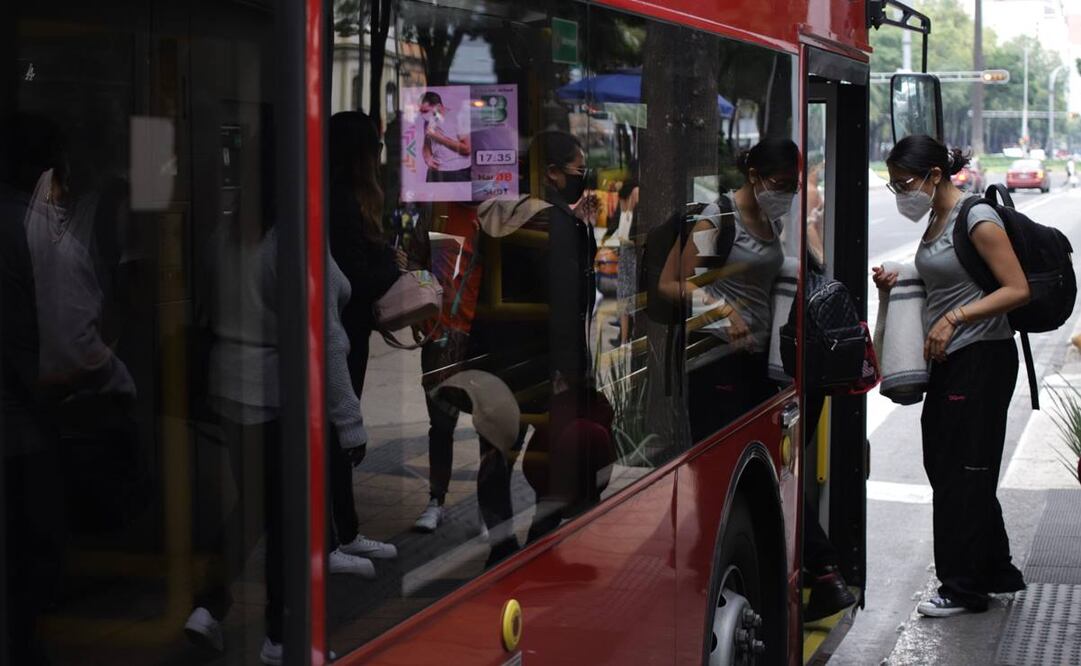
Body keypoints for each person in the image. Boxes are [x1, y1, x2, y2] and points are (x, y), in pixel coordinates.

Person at [874, 134, 1028, 617]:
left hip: (981, 357)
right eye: (895, 184)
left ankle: (962, 588)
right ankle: (995, 569)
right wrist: (900, 277)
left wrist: (955, 318)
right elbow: (947, 277)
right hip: (951, 361)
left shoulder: (976, 217)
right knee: (954, 467)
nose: (902, 193)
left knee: (962, 471)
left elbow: (1016, 289)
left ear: (934, 176)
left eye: (906, 183)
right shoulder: (935, 218)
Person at [325, 111, 401, 568]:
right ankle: (339, 535)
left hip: (349, 330)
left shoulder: (338, 199)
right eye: (374, 147)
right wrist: (392, 268)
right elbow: (354, 278)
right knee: (341, 428)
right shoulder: (342, 203)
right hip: (342, 332)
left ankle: (341, 531)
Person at [419, 92, 472, 183]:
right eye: (421, 111)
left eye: (425, 111)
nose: (423, 115)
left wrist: (439, 138)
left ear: (438, 106)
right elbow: (426, 144)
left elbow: (467, 149)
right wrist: (427, 158)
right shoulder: (429, 120)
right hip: (435, 173)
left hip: (458, 173)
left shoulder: (458, 118)